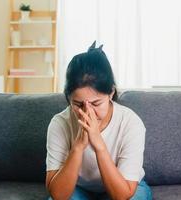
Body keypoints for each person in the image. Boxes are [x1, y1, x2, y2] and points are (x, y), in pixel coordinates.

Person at [45, 41, 152, 200]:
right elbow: (58, 195)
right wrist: (78, 147)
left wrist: (99, 145)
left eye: (96, 103)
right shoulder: (60, 123)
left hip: (123, 186)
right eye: (78, 104)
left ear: (111, 93)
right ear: (68, 98)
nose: (87, 112)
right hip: (78, 188)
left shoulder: (131, 123)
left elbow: (122, 195)